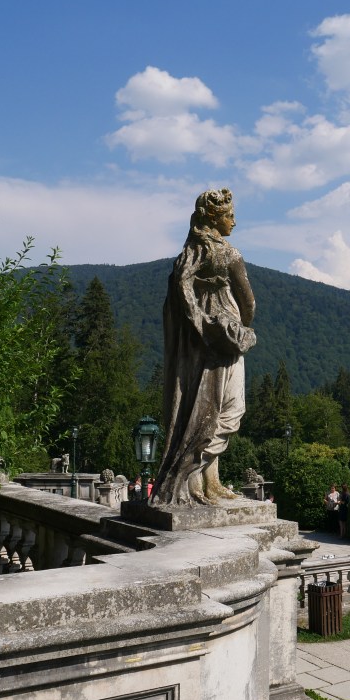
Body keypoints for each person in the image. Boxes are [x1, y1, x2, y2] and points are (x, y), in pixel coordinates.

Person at [151, 189, 256, 505]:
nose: (234, 221)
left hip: (195, 338)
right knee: (230, 409)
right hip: (224, 337)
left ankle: (210, 481)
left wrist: (199, 321)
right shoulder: (228, 254)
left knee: (202, 409)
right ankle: (188, 472)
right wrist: (239, 329)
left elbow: (179, 291)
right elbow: (248, 301)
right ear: (214, 217)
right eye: (230, 216)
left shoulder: (189, 253)